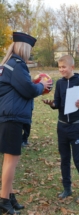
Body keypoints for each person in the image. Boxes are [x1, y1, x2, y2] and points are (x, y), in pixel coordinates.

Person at [0, 32, 51, 214]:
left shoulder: (8, 64)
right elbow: (28, 90)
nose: (29, 54)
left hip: (8, 117)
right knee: (11, 161)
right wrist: (42, 86)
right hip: (12, 118)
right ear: (24, 48)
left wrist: (34, 84)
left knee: (10, 160)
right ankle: (4, 200)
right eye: (29, 50)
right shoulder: (17, 65)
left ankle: (10, 196)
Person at [43, 55, 79, 203]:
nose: (61, 70)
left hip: (76, 126)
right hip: (62, 127)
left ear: (72, 67)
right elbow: (57, 103)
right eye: (59, 67)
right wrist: (52, 104)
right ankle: (67, 188)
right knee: (64, 159)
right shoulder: (59, 83)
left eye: (63, 67)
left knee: (78, 159)